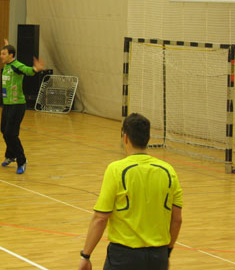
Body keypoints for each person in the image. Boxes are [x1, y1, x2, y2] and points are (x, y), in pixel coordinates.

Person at [77, 113, 183, 270]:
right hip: (158, 256)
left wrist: (86, 256)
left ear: (125, 137)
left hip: (124, 257)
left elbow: (100, 218)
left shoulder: (116, 170)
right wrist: (166, 252)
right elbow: (177, 220)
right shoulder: (169, 171)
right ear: (148, 138)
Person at [0, 42, 45, 174]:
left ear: (11, 55)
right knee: (4, 130)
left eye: (4, 54)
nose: (1, 56)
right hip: (7, 104)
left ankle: (22, 160)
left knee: (11, 134)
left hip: (17, 105)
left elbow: (27, 70)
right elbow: (10, 55)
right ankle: (10, 155)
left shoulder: (16, 66)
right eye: (1, 53)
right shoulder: (7, 64)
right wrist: (7, 46)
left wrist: (35, 69)